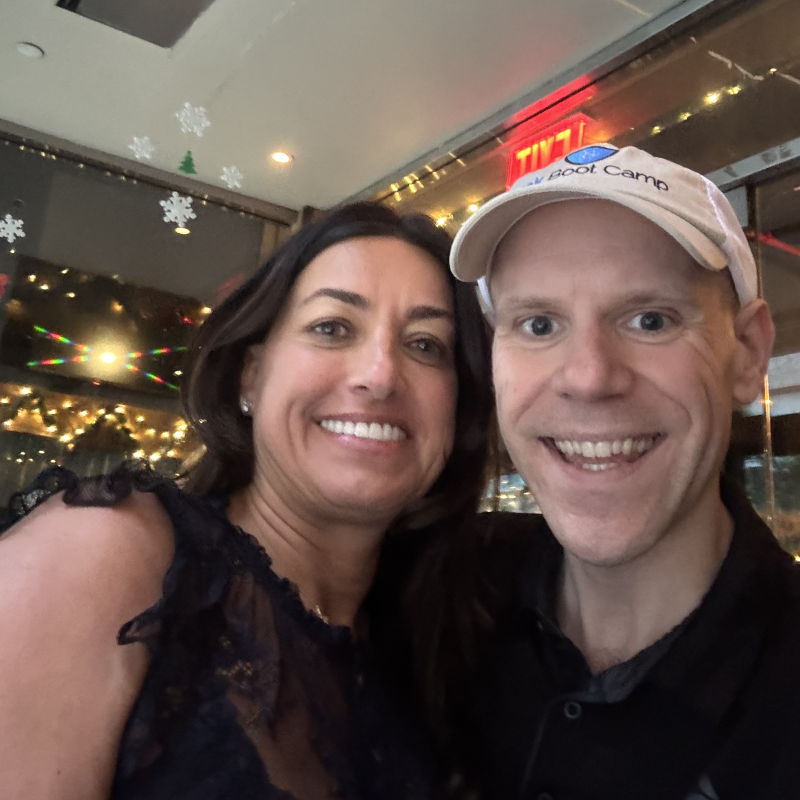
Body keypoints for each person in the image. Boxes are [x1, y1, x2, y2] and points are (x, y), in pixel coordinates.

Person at [0, 203, 493, 800]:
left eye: (424, 344)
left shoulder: (436, 646)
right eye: (332, 327)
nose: (380, 375)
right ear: (251, 376)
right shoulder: (110, 554)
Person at [434, 143, 800, 799]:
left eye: (650, 319)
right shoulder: (441, 596)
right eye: (539, 323)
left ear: (747, 353)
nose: (589, 377)